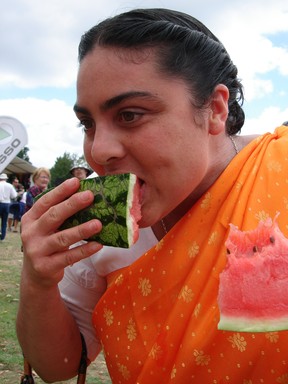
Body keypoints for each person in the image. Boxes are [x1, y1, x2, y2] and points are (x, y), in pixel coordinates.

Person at [16, 8, 288, 383]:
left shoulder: (281, 172)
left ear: (215, 109)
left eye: (130, 115)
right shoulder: (98, 223)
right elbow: (59, 365)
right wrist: (38, 280)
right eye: (88, 123)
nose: (99, 150)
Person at [0, 173, 17, 241]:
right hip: (6, 204)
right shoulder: (10, 186)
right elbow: (14, 196)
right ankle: (2, 237)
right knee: (4, 221)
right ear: (6, 179)